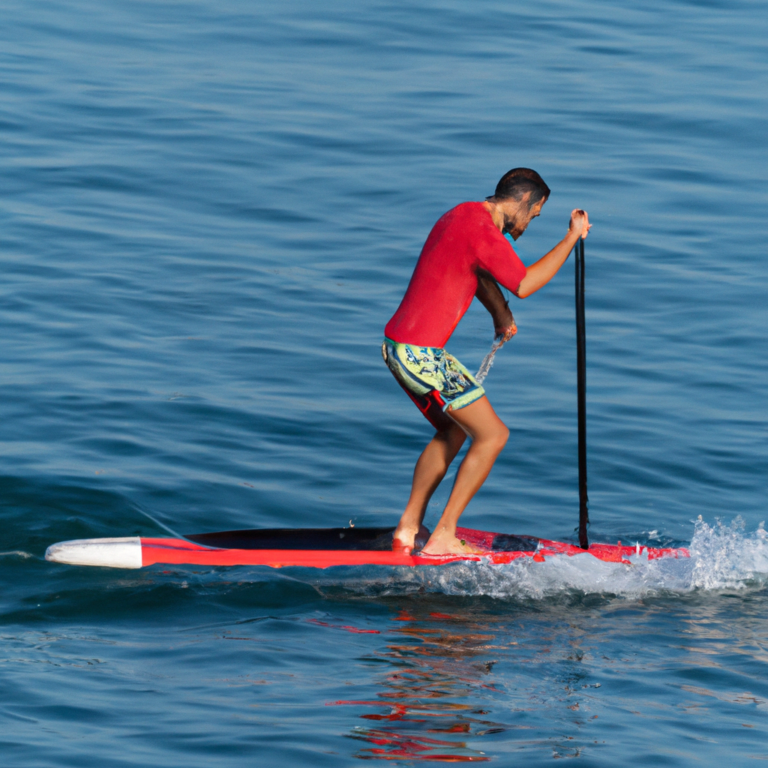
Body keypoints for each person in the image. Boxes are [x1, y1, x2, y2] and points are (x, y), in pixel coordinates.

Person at [382, 168, 591, 555]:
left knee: (455, 430)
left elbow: (476, 271)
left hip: (400, 347)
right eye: (534, 215)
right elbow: (525, 284)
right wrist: (571, 238)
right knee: (494, 435)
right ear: (526, 201)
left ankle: (408, 529)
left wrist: (500, 315)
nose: (528, 226)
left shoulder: (461, 215)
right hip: (421, 355)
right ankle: (444, 535)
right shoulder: (483, 230)